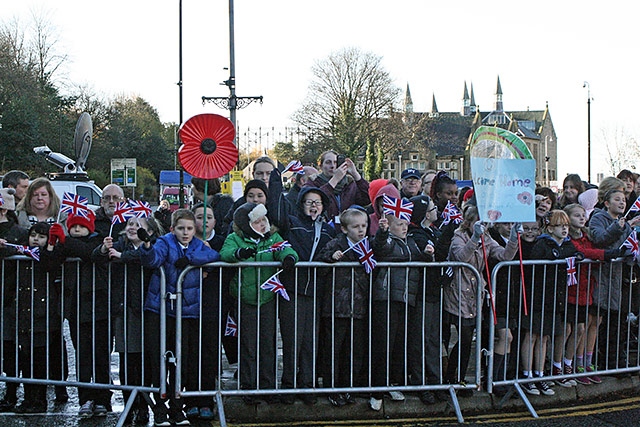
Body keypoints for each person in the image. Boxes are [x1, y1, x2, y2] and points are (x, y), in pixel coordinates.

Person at [139, 208, 220, 426]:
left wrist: (190, 259)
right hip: (161, 308)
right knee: (159, 360)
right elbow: (154, 259)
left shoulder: (197, 244)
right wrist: (147, 247)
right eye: (181, 228)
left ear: (195, 230)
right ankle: (159, 408)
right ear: (173, 229)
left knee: (180, 361)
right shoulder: (165, 242)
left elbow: (212, 255)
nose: (185, 233)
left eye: (190, 229)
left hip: (186, 311)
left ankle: (177, 407)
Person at [220, 203, 298, 404]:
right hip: (245, 299)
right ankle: (248, 386)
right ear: (246, 225)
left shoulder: (273, 237)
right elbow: (225, 253)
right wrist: (239, 254)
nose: (262, 224)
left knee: (267, 342)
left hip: (267, 297)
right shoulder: (235, 238)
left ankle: (267, 385)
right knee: (248, 344)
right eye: (257, 221)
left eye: (263, 220)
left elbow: (285, 249)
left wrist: (289, 257)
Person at [270, 175, 335, 405]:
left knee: (310, 341)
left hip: (316, 291)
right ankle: (289, 384)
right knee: (292, 340)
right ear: (301, 204)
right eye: (309, 202)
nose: (314, 206)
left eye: (317, 202)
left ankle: (307, 384)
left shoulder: (328, 230)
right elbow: (276, 212)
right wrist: (276, 183)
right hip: (293, 289)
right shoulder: (291, 222)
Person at [92, 216, 163, 425]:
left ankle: (144, 405)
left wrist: (123, 256)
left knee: (146, 361)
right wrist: (104, 250)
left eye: (139, 225)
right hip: (124, 309)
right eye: (130, 224)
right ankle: (129, 405)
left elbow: (148, 257)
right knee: (127, 360)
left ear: (149, 231)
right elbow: (96, 258)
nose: (133, 227)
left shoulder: (155, 246)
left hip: (148, 309)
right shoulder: (117, 243)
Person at [41, 210, 111, 417]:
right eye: (73, 227)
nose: (76, 230)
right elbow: (48, 264)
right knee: (82, 356)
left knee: (101, 356)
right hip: (77, 310)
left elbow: (90, 253)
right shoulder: (66, 244)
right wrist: (52, 244)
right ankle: (86, 398)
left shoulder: (97, 240)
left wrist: (66, 241)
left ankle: (102, 398)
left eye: (81, 226)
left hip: (99, 307)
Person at [443, 205, 518, 394]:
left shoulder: (487, 237)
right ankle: (453, 377)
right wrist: (475, 238)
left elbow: (503, 256)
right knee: (465, 337)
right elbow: (461, 256)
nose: (483, 226)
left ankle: (459, 379)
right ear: (469, 222)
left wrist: (514, 239)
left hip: (475, 293)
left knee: (469, 339)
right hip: (458, 291)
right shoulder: (458, 236)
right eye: (479, 222)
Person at [369, 212, 427, 411]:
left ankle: (394, 382)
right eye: (400, 224)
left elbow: (419, 259)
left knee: (399, 344)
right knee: (383, 344)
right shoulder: (389, 241)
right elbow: (380, 247)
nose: (404, 228)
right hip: (387, 298)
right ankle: (377, 390)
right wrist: (383, 232)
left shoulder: (410, 242)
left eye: (406, 224)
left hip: (407, 299)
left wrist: (428, 254)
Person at [0, 222, 58, 413]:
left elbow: (50, 261)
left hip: (40, 315)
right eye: (33, 235)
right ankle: (28, 398)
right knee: (25, 358)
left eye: (41, 236)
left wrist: (50, 245)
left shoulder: (47, 255)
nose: (35, 239)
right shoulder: (23, 253)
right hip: (23, 313)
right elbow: (8, 251)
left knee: (39, 360)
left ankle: (39, 400)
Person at [318, 208, 369, 407]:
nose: (361, 230)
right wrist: (332, 257)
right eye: (356, 227)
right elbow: (322, 258)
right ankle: (332, 388)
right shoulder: (336, 243)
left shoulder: (367, 246)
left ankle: (349, 388)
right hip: (336, 307)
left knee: (354, 351)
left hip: (358, 307)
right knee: (333, 350)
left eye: (364, 226)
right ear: (345, 229)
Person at [564, 203, 618, 385]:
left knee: (593, 324)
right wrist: (606, 254)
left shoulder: (587, 236)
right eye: (576, 215)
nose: (581, 218)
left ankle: (586, 363)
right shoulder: (568, 239)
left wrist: (600, 257)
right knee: (578, 328)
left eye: (582, 215)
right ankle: (571, 364)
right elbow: (582, 252)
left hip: (589, 289)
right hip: (572, 290)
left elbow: (591, 256)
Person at [183, 203, 227, 421]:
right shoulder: (186, 241)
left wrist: (210, 254)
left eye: (209, 217)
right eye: (200, 217)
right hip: (190, 304)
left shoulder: (220, 241)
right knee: (191, 351)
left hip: (212, 303)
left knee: (209, 352)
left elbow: (225, 261)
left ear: (215, 221)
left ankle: (207, 399)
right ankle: (190, 399)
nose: (205, 221)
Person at [589, 189, 640, 370]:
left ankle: (614, 362)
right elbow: (599, 239)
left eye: (624, 200)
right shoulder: (598, 218)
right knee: (598, 322)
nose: (622, 203)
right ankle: (596, 362)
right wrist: (617, 227)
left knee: (615, 323)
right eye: (617, 200)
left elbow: (628, 247)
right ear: (607, 203)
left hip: (618, 278)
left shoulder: (624, 223)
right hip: (601, 277)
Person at [405, 194, 440, 404]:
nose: (437, 210)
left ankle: (435, 381)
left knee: (433, 341)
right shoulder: (417, 235)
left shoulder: (433, 231)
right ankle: (420, 382)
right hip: (422, 294)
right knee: (420, 340)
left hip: (435, 293)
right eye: (433, 207)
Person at [0, 188, 28, 412]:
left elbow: (26, 251)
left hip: (9, 297)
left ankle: (11, 393)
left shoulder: (18, 231)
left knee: (9, 347)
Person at [307, 150, 370, 225]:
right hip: (324, 228)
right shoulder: (314, 182)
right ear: (321, 166)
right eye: (328, 162)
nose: (332, 166)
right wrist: (335, 180)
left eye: (335, 162)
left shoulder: (349, 183)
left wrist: (355, 174)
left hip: (347, 229)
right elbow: (316, 201)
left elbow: (367, 199)